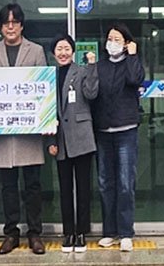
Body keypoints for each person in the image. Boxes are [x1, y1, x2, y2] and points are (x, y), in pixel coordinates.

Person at [0, 3, 48, 255]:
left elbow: (43, 89)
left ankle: (35, 233)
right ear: (1, 27)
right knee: (7, 186)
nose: (10, 27)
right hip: (2, 131)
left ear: (21, 25)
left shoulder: (36, 50)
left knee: (32, 185)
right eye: (6, 23)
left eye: (15, 22)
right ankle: (11, 233)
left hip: (29, 129)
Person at [91, 23, 144, 253]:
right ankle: (110, 231)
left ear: (127, 43)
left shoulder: (132, 63)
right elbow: (92, 93)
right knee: (105, 183)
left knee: (125, 182)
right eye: (110, 38)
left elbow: (134, 80)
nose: (112, 43)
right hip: (103, 131)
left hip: (126, 129)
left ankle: (125, 232)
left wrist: (132, 56)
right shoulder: (100, 66)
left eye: (117, 39)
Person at [46, 34, 98, 253]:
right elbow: (47, 111)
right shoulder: (48, 75)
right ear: (53, 52)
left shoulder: (82, 71)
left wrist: (92, 66)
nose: (63, 53)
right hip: (60, 140)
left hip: (82, 136)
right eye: (59, 49)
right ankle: (68, 233)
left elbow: (91, 93)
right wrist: (51, 140)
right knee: (65, 189)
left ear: (73, 51)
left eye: (67, 48)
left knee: (83, 188)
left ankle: (82, 232)